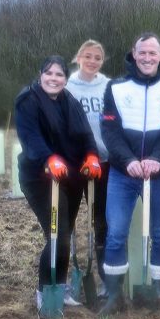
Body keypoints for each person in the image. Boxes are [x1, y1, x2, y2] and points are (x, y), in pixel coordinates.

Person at [97, 32, 160, 316]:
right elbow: (109, 131)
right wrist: (129, 160)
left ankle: (157, 292)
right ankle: (114, 295)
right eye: (142, 53)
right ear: (134, 55)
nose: (147, 58)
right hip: (123, 174)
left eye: (153, 53)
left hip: (159, 174)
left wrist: (158, 158)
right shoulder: (116, 87)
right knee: (116, 233)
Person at [15, 56, 101, 314]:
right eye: (49, 73)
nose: (54, 79)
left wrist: (92, 155)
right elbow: (31, 137)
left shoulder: (70, 101)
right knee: (58, 234)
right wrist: (48, 158)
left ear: (66, 78)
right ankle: (45, 291)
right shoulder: (27, 101)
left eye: (59, 75)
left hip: (70, 176)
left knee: (64, 232)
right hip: (40, 177)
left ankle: (60, 287)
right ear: (40, 74)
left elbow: (86, 133)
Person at [66, 40, 110, 295]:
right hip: (75, 164)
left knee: (102, 222)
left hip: (103, 162)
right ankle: (72, 274)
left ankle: (105, 278)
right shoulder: (68, 87)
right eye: (88, 56)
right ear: (79, 57)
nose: (92, 61)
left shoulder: (107, 86)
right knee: (69, 221)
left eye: (97, 58)